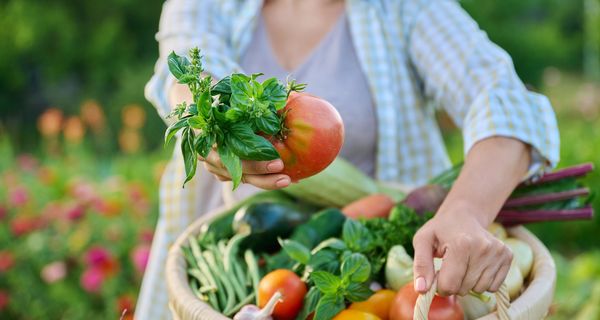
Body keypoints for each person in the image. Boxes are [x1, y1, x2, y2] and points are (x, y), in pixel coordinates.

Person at [137, 0, 559, 318]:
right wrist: (205, 126)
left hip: (372, 265)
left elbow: (502, 97)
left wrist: (465, 212)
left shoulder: (405, 8)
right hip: (219, 255)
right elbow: (188, 71)